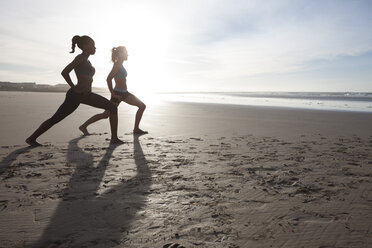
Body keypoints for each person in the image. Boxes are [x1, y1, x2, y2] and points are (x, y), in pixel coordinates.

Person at [26, 35, 123, 147]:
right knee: (56, 118)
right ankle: (31, 138)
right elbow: (65, 72)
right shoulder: (80, 58)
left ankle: (114, 138)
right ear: (85, 46)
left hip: (87, 95)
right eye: (93, 45)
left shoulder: (88, 61)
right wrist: (74, 87)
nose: (95, 48)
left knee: (112, 107)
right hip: (76, 95)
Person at [79, 46, 147, 136]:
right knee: (106, 114)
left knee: (142, 106)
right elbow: (108, 79)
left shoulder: (120, 65)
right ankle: (83, 126)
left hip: (125, 93)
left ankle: (136, 129)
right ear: (121, 54)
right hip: (117, 94)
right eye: (126, 52)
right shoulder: (117, 65)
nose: (128, 54)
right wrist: (113, 94)